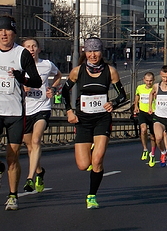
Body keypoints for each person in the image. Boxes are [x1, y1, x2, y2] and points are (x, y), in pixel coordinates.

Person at [61, 37, 126, 209]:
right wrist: (68, 111)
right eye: (89, 51)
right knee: (83, 165)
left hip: (102, 119)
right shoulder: (78, 71)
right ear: (85, 52)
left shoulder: (110, 71)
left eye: (96, 51)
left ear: (101, 52)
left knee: (97, 160)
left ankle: (91, 196)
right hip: (83, 120)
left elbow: (122, 95)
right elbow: (63, 92)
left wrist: (113, 103)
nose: (93, 55)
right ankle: (90, 148)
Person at [0, 15, 42, 210]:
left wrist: (20, 78)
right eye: (0, 31)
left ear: (14, 33)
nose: (3, 34)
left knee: (12, 155)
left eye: (7, 30)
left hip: (15, 112)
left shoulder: (21, 54)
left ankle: (12, 195)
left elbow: (36, 81)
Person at [22, 38, 62, 193]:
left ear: (39, 49)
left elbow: (58, 75)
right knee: (30, 147)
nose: (31, 49)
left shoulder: (46, 65)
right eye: (28, 46)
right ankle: (39, 171)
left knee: (36, 140)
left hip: (42, 108)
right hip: (26, 110)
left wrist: (52, 87)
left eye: (34, 46)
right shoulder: (20, 66)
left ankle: (30, 178)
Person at [133, 72, 157, 167]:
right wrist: (135, 105)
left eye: (150, 80)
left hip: (153, 112)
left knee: (152, 136)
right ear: (144, 80)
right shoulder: (140, 88)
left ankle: (153, 154)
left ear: (153, 80)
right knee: (143, 130)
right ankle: (145, 149)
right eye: (147, 80)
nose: (148, 82)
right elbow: (137, 96)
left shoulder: (155, 88)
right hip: (143, 112)